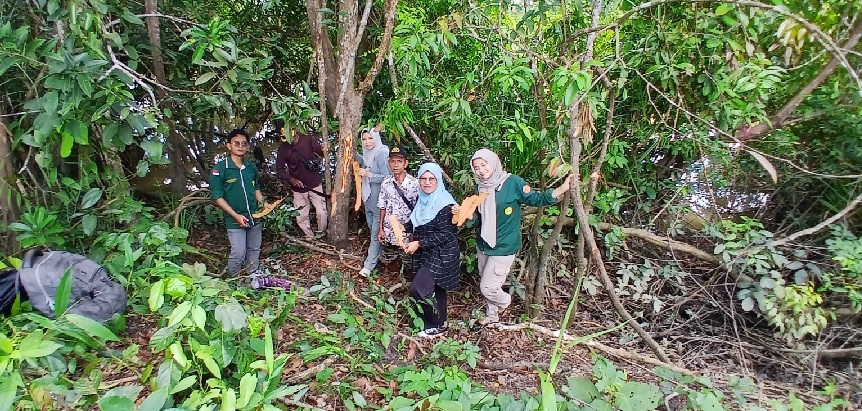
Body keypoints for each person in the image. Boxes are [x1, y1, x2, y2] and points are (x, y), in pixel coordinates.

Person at [456, 148, 571, 325]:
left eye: (484, 165)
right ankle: (492, 317)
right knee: (487, 282)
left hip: (504, 246)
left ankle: (505, 301)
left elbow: (537, 199)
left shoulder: (512, 183)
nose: (481, 170)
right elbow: (480, 218)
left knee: (488, 287)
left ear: (493, 163)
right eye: (476, 167)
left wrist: (563, 188)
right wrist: (467, 215)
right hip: (484, 244)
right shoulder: (480, 187)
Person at [403, 163, 460, 338]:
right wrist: (403, 228)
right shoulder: (422, 198)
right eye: (423, 178)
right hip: (426, 251)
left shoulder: (446, 204)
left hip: (443, 253)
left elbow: (446, 234)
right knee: (437, 288)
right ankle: (439, 324)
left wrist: (418, 243)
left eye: (431, 179)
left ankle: (433, 324)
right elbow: (418, 222)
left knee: (418, 289)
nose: (427, 182)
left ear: (438, 180)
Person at [210, 129, 264, 276]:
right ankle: (235, 281)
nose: (240, 146)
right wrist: (235, 216)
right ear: (229, 146)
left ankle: (252, 275)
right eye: (236, 143)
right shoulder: (220, 168)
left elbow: (256, 188)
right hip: (234, 220)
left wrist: (264, 204)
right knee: (238, 253)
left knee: (254, 249)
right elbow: (217, 197)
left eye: (244, 144)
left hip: (255, 216)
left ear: (247, 147)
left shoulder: (250, 167)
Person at [274, 120, 327, 240]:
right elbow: (280, 168)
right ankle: (309, 236)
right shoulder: (283, 148)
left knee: (321, 212)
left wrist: (324, 150)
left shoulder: (308, 138)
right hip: (298, 188)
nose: (290, 140)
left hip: (314, 184)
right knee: (301, 215)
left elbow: (321, 153)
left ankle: (321, 234)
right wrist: (291, 179)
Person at [377, 144, 419, 270]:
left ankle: (405, 283)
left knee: (407, 262)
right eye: (393, 161)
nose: (396, 165)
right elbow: (382, 206)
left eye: (399, 161)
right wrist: (381, 229)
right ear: (389, 163)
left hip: (406, 231)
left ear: (406, 164)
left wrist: (414, 233)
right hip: (389, 230)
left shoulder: (415, 184)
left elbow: (418, 211)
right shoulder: (386, 183)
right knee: (386, 259)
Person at [356, 126, 392, 276]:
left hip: (379, 202)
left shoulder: (382, 153)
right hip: (368, 199)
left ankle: (369, 266)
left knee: (376, 232)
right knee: (373, 229)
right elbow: (364, 163)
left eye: (370, 138)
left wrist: (369, 174)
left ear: (376, 138)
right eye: (364, 139)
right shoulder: (368, 153)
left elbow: (388, 177)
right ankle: (384, 252)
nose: (367, 142)